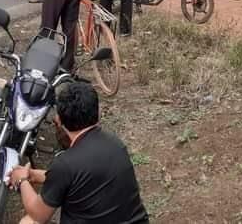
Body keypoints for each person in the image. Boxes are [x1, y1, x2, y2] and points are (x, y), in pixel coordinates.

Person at [8, 82, 149, 224]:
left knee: (28, 222)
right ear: (97, 113)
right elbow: (81, 177)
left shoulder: (65, 164)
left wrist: (21, 180)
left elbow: (38, 215)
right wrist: (35, 175)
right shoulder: (115, 144)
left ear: (59, 120)